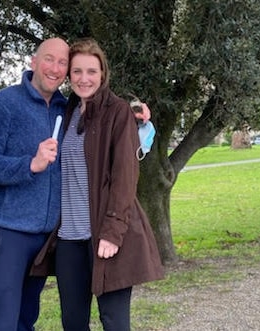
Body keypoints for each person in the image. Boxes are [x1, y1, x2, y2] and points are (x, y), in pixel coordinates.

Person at [0, 36, 152, 331]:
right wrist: (29, 164)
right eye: (51, 60)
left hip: (73, 236)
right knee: (14, 319)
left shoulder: (72, 108)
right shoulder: (13, 106)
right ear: (34, 62)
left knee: (34, 317)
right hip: (25, 233)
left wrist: (136, 115)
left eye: (63, 63)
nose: (58, 69)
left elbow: (119, 158)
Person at [32, 38, 164, 331]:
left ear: (102, 74)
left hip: (106, 236)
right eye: (77, 72)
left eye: (91, 71)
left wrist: (113, 232)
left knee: (114, 322)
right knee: (73, 323)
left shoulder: (117, 112)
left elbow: (125, 176)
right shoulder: (67, 111)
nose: (84, 78)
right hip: (69, 240)